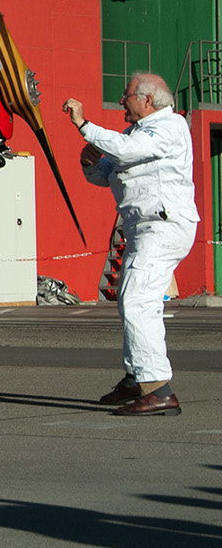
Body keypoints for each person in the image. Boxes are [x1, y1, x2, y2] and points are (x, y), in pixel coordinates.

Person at [63, 73, 198, 416]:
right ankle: (138, 377)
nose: (122, 101)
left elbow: (128, 151)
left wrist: (85, 125)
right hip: (145, 228)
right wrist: (88, 161)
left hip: (162, 225)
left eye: (126, 96)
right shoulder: (134, 134)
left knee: (137, 300)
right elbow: (106, 173)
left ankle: (157, 387)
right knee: (134, 300)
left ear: (147, 100)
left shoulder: (169, 128)